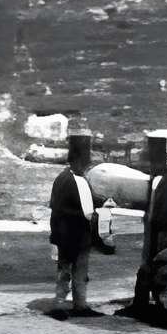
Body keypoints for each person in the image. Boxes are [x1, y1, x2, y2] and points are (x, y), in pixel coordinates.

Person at [48, 132, 114, 317]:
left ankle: (80, 304)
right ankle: (59, 305)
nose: (86, 165)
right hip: (67, 234)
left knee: (81, 271)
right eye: (84, 161)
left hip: (81, 234)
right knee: (65, 270)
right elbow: (58, 209)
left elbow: (90, 199)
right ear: (75, 160)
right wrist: (84, 215)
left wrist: (104, 202)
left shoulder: (82, 179)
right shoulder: (64, 180)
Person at [128, 133, 167, 319]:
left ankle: (158, 304)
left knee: (160, 267)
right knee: (148, 266)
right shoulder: (157, 180)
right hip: (155, 229)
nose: (150, 165)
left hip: (164, 230)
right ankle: (142, 303)